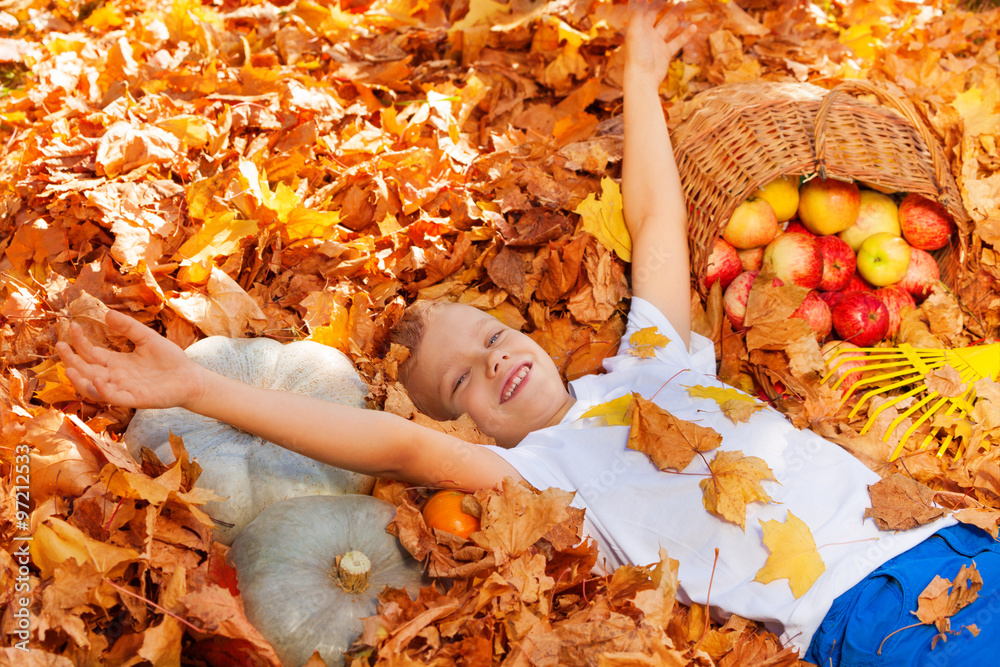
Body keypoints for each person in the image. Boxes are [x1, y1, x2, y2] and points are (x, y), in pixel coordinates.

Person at [57, 2, 997, 664]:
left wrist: (639, 79)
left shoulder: (655, 361)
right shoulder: (541, 479)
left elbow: (661, 225)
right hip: (874, 616)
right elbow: (390, 441)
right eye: (462, 379)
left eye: (491, 336)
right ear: (469, 432)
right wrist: (197, 388)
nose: (492, 360)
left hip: (954, 543)